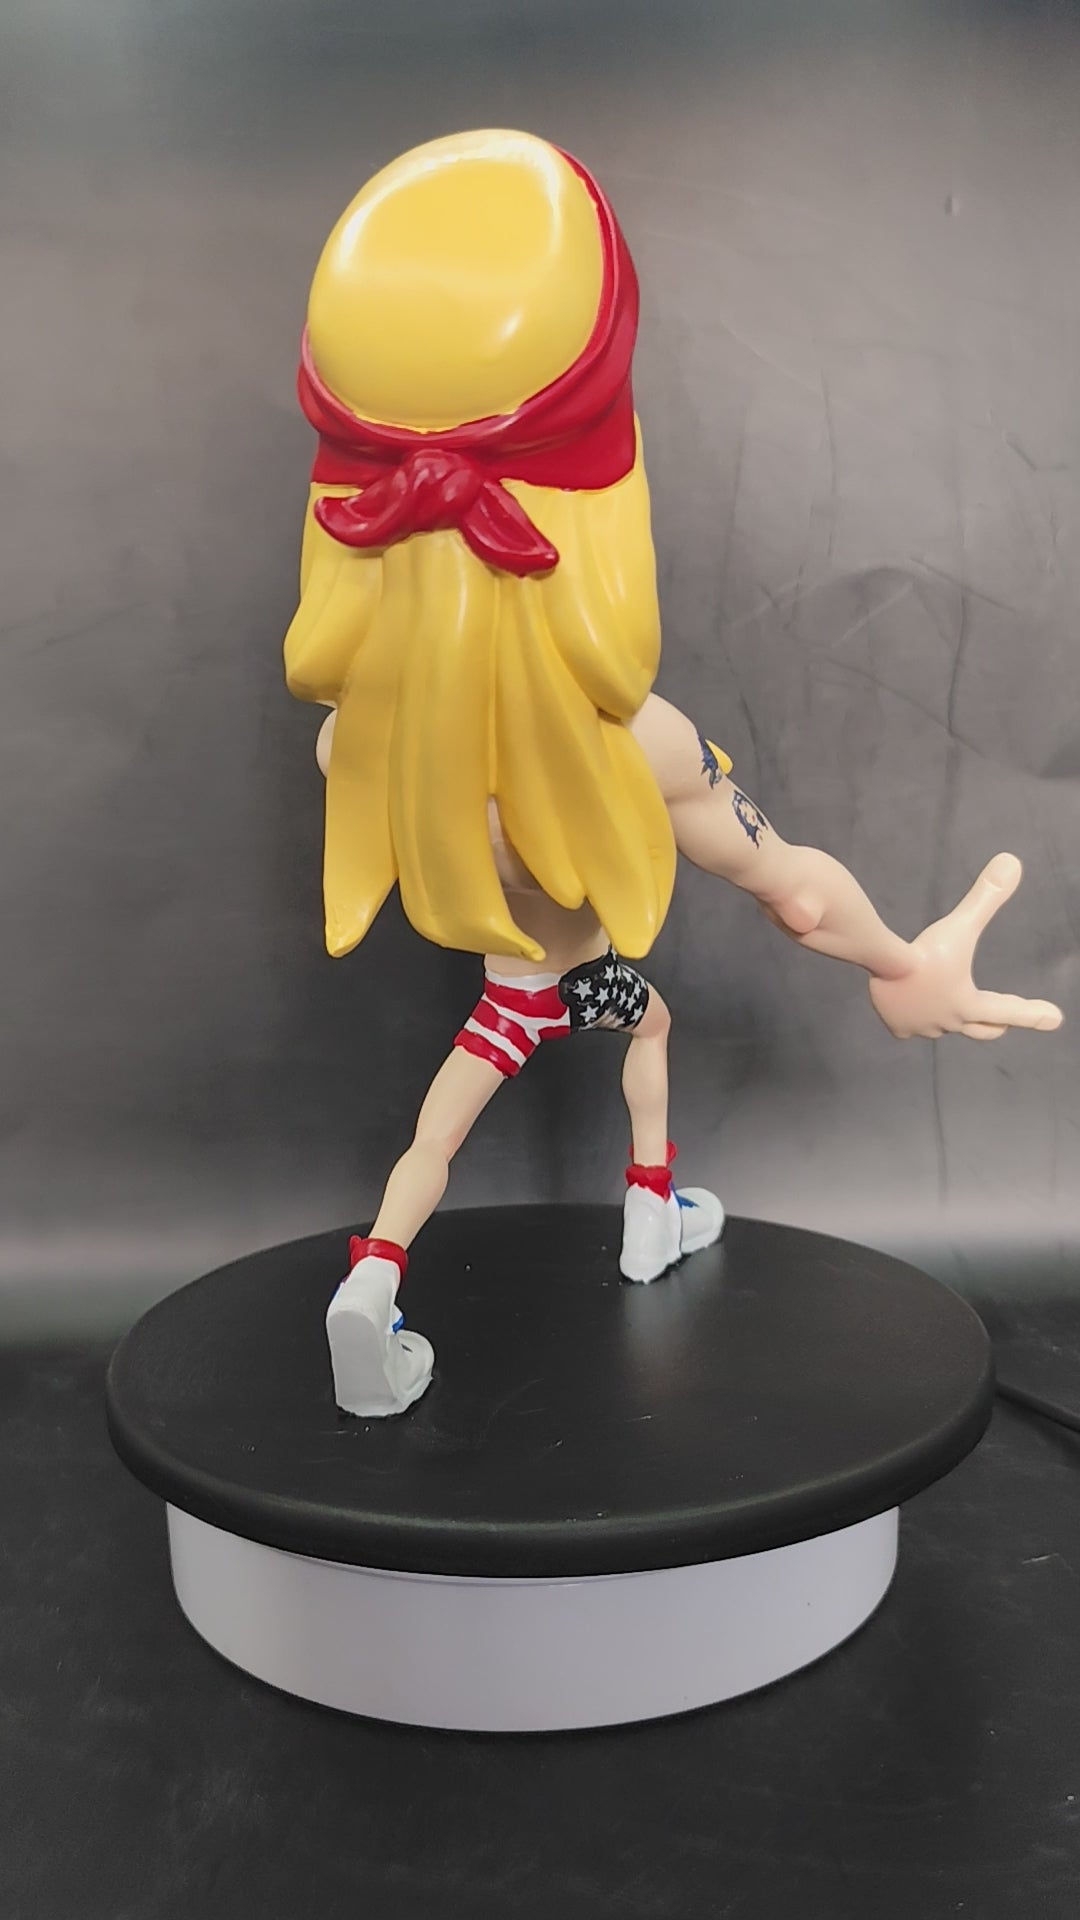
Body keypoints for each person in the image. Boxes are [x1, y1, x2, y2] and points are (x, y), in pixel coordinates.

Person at [284, 130, 1062, 1417]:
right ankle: (651, 1205)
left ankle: (377, 1277)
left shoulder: (350, 740)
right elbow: (789, 884)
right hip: (580, 977)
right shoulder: (639, 745)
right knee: (644, 1021)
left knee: (438, 1136)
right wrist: (898, 961)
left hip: (506, 1003)